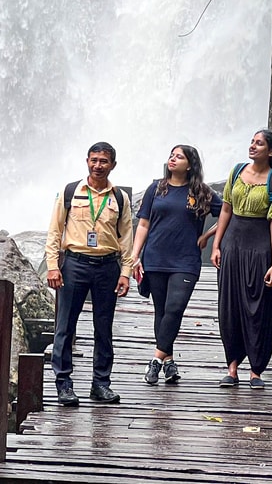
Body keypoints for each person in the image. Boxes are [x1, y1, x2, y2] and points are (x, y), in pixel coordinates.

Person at [44, 142, 135, 406]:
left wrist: (125, 272)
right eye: (94, 160)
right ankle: (63, 384)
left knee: (103, 328)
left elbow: (126, 237)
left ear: (113, 165)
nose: (98, 165)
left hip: (108, 266)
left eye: (103, 161)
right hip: (75, 264)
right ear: (87, 161)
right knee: (65, 326)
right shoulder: (71, 191)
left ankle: (101, 384)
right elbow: (54, 230)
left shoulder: (120, 198)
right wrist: (52, 265)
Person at [130, 145, 222, 385]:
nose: (172, 159)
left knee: (174, 308)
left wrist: (208, 236)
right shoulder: (156, 188)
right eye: (171, 155)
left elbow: (226, 213)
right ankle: (169, 362)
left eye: (179, 156)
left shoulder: (201, 191)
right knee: (161, 311)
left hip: (186, 260)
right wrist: (135, 255)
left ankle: (156, 361)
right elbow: (143, 224)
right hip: (156, 257)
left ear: (190, 164)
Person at [210, 129, 272, 390]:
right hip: (233, 244)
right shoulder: (236, 172)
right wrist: (216, 244)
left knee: (258, 306)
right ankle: (231, 368)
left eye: (260, 143)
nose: (253, 146)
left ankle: (256, 370)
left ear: (271, 151)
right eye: (252, 142)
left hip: (260, 248)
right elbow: (225, 209)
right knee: (230, 305)